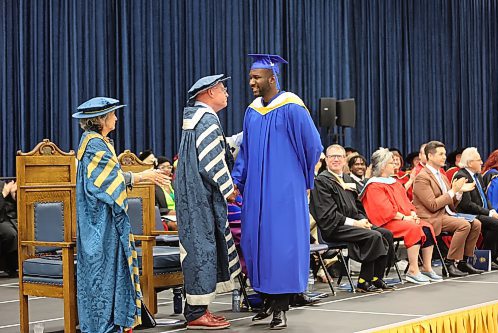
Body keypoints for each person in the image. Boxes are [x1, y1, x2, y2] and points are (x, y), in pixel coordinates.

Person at [232, 54, 322, 329]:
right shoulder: (252, 111)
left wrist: (303, 179)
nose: (251, 82)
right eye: (250, 77)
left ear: (272, 78)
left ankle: (282, 307)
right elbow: (244, 151)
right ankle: (267, 299)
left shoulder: (292, 106)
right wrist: (238, 180)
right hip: (257, 190)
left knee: (282, 245)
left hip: (284, 188)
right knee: (255, 242)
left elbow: (312, 146)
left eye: (256, 77)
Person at [73, 97, 170, 333]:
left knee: (110, 273)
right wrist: (144, 176)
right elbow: (108, 181)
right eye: (112, 114)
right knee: (102, 275)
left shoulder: (98, 142)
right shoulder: (94, 144)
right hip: (100, 224)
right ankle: (102, 326)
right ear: (101, 119)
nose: (116, 118)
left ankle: (113, 323)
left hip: (104, 220)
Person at [175, 74, 241, 330]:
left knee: (200, 247)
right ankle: (195, 314)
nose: (226, 93)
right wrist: (229, 190)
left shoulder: (196, 121)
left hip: (194, 196)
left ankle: (199, 309)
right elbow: (212, 161)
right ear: (210, 92)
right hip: (199, 198)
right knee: (201, 250)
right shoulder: (206, 121)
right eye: (223, 89)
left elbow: (216, 147)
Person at [310, 145, 396, 293]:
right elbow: (328, 215)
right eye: (332, 156)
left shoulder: (348, 179)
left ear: (344, 160)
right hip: (334, 227)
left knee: (386, 234)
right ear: (327, 160)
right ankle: (363, 281)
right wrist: (356, 223)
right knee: (374, 236)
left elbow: (358, 207)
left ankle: (377, 278)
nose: (336, 159)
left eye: (339, 156)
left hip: (353, 224)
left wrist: (363, 220)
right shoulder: (321, 181)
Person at [361, 148, 442, 284]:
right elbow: (383, 210)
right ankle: (413, 270)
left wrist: (413, 214)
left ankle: (427, 268)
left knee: (426, 226)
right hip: (386, 222)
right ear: (382, 166)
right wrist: (405, 218)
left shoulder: (394, 182)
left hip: (401, 219)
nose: (395, 165)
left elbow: (406, 202)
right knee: (413, 228)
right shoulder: (374, 185)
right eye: (391, 163)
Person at [412, 141, 483, 277]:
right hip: (431, 217)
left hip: (446, 214)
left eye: (444, 154)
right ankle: (449, 263)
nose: (444, 157)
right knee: (463, 225)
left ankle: (464, 261)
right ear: (430, 156)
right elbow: (432, 205)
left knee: (476, 224)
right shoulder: (422, 177)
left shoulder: (442, 176)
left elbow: (451, 204)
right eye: (441, 154)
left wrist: (459, 193)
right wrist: (452, 191)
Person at [453, 148, 498, 269]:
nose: (482, 162)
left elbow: (485, 197)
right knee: (496, 224)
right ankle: (488, 257)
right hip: (468, 214)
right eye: (478, 160)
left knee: (496, 221)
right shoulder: (461, 176)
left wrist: (492, 210)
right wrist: (488, 213)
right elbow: (467, 205)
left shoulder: (477, 176)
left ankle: (491, 257)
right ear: (469, 163)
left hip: (480, 212)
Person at [0, 180, 18, 277]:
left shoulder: (5, 184)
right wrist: (3, 193)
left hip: (13, 218)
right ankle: (11, 267)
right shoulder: (4, 188)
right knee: (11, 233)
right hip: (2, 220)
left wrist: (14, 195)